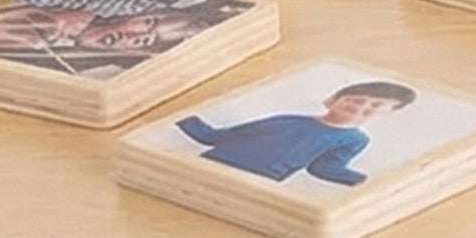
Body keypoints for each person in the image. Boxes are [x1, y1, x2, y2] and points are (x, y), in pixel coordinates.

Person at [173, 80, 413, 187]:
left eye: (375, 105)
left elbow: (323, 168)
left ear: (390, 112)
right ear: (332, 100)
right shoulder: (288, 119)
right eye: (356, 99)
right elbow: (216, 137)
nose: (361, 107)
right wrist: (177, 111)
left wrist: (368, 182)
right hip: (210, 164)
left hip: (257, 183)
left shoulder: (355, 139)